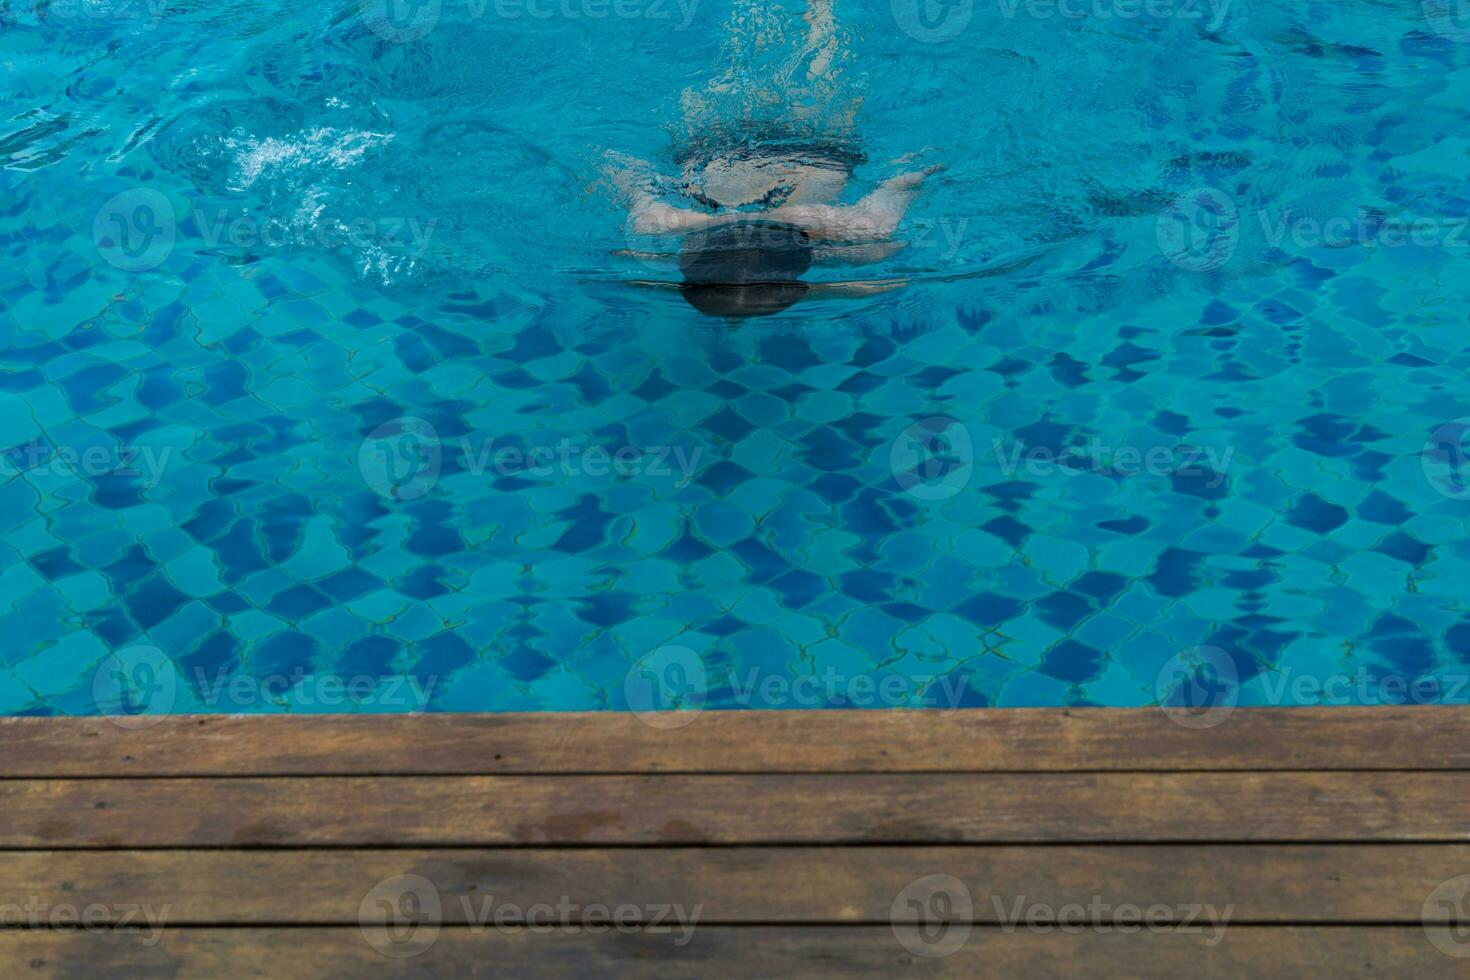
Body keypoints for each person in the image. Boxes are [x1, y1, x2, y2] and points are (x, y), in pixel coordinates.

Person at [604, 0, 938, 317]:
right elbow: (618, 167)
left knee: (822, 60)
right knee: (741, 62)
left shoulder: (859, 228)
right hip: (717, 150)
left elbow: (910, 177)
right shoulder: (658, 224)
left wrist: (824, 285)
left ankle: (821, 13)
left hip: (814, 149)